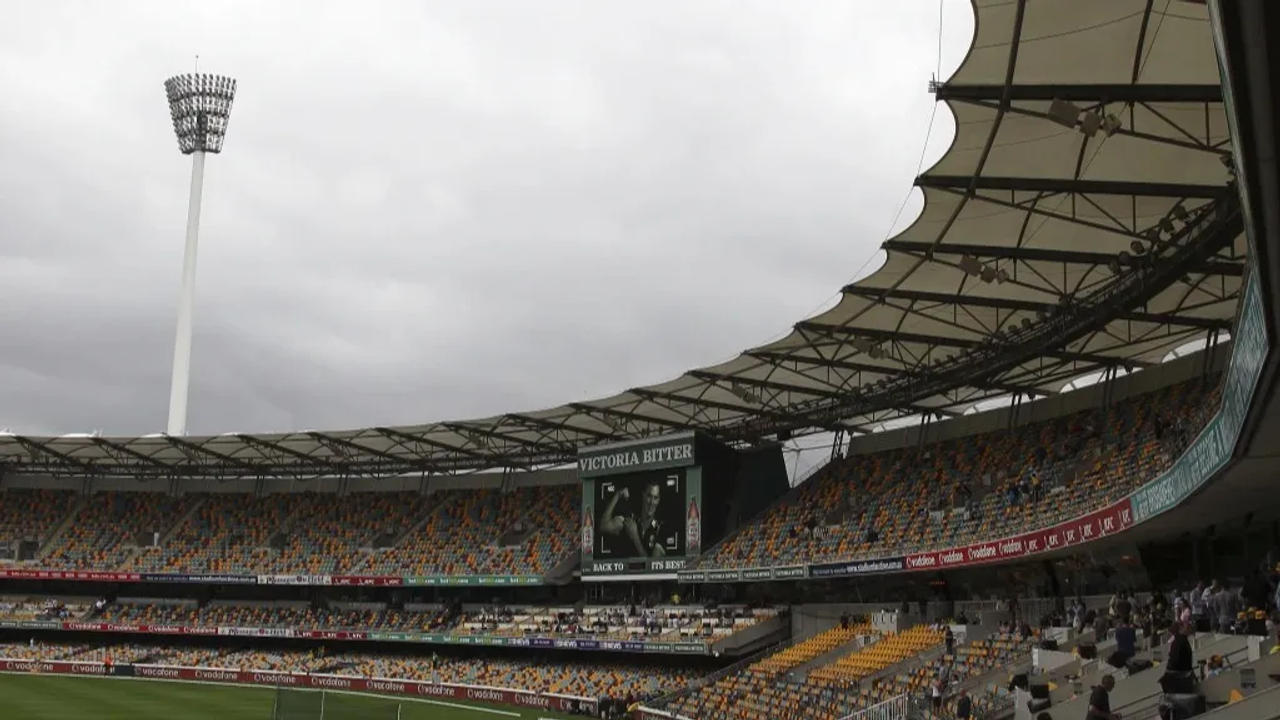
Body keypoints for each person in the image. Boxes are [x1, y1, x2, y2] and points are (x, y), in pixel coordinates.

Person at [599, 482, 667, 558]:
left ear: (658, 500)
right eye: (649, 496)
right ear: (643, 495)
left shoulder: (661, 528)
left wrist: (635, 537)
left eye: (655, 498)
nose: (651, 502)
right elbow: (604, 526)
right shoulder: (631, 520)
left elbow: (653, 567)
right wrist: (617, 495)